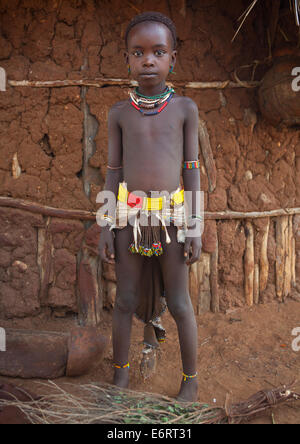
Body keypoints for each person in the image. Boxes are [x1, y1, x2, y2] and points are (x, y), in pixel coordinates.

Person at [98, 11, 203, 402]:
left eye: (158, 52)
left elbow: (192, 172)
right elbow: (112, 173)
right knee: (124, 299)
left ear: (172, 58)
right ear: (126, 58)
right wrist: (107, 225)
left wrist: (194, 225)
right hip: (129, 217)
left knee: (178, 302)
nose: (148, 60)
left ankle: (190, 380)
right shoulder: (119, 114)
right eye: (138, 52)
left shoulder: (184, 110)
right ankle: (120, 377)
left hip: (173, 219)